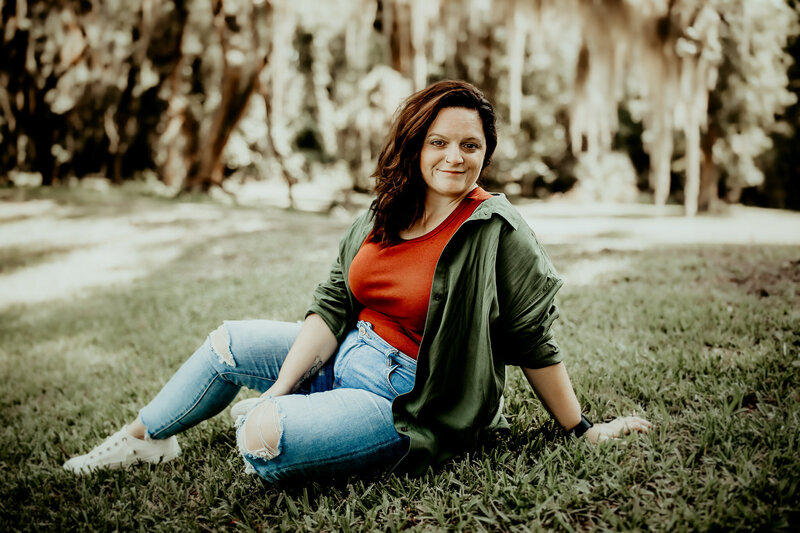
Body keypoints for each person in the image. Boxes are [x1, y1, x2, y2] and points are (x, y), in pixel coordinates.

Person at [63, 80, 651, 482]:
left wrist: (580, 429)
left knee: (261, 441)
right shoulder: (382, 211)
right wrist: (283, 384)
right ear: (415, 146)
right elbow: (331, 305)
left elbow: (532, 341)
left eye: (471, 145)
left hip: (401, 399)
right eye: (439, 142)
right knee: (227, 343)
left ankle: (301, 419)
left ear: (486, 153)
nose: (455, 156)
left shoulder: (497, 229)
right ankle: (145, 439)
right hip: (346, 351)